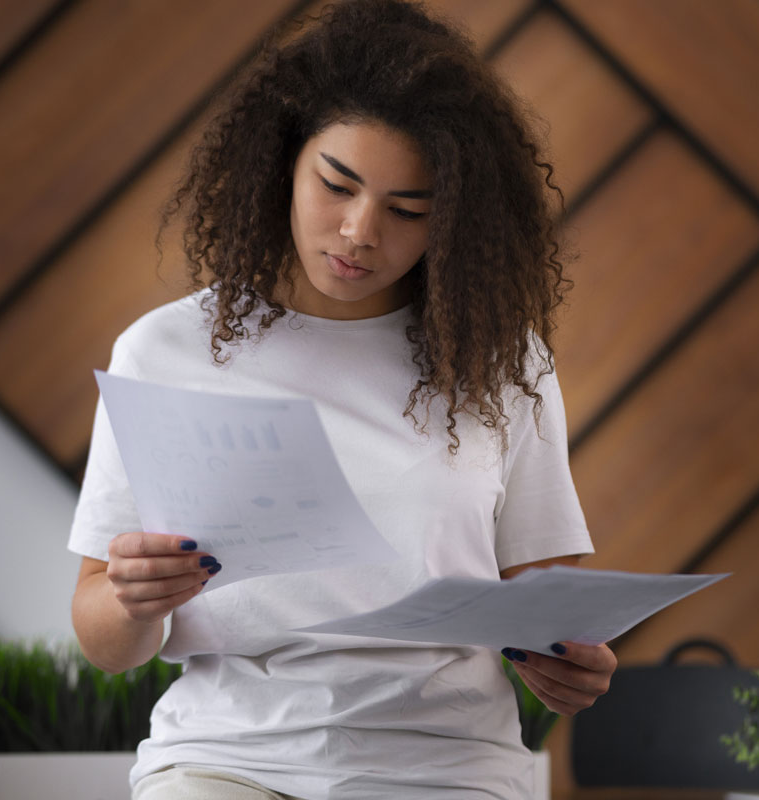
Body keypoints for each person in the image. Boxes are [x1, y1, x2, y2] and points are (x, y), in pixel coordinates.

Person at [68, 1, 615, 797]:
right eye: (337, 185)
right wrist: (131, 599)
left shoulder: (502, 364)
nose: (361, 231)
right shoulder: (164, 351)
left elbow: (547, 604)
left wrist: (569, 663)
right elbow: (103, 640)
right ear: (283, 161)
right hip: (228, 757)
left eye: (407, 210)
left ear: (452, 221)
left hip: (447, 765)